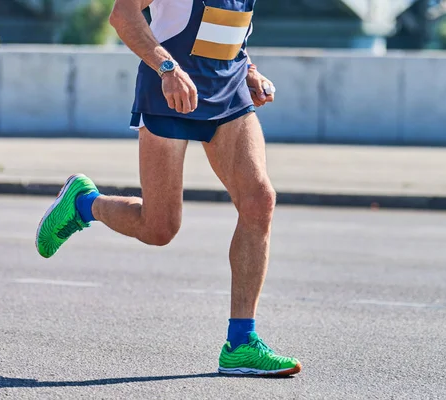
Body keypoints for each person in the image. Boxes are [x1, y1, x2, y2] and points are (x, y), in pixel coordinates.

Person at [35, 0, 301, 376]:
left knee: (260, 200)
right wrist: (166, 67)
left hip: (228, 91)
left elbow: (228, 30)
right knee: (159, 228)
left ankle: (241, 343)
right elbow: (123, 14)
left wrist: (251, 71)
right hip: (169, 91)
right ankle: (84, 203)